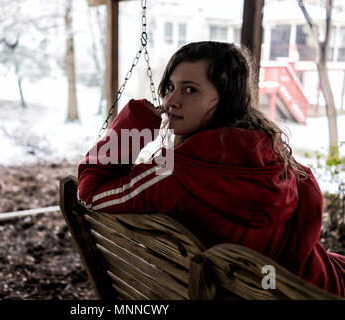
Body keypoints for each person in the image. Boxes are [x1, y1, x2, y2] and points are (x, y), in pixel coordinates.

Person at [77, 41, 345, 298]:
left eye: (189, 90)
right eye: (170, 87)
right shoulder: (276, 159)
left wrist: (135, 121)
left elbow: (89, 193)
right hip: (316, 284)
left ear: (225, 100)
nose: (171, 101)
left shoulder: (171, 174)